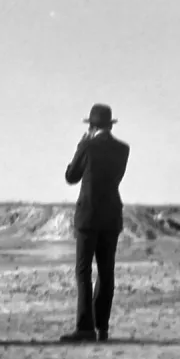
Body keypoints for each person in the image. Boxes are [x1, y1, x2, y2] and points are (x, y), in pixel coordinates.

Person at [61, 104, 130, 343]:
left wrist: (81, 146)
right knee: (106, 272)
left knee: (83, 271)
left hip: (89, 215)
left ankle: (85, 327)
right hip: (111, 214)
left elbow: (71, 176)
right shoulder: (123, 149)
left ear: (91, 126)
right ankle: (102, 326)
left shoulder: (88, 146)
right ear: (110, 125)